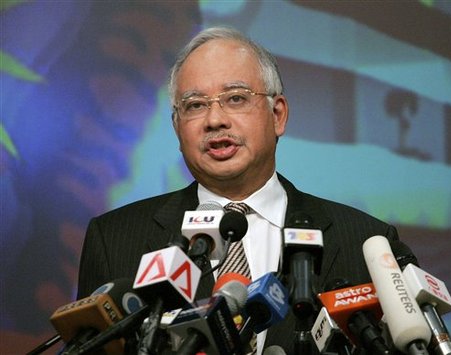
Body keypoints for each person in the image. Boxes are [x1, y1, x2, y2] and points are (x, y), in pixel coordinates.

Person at [77, 26, 399, 354]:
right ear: (177, 127)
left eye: (235, 98)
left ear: (278, 115)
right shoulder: (114, 239)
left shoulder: (365, 243)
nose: (215, 119)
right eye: (195, 105)